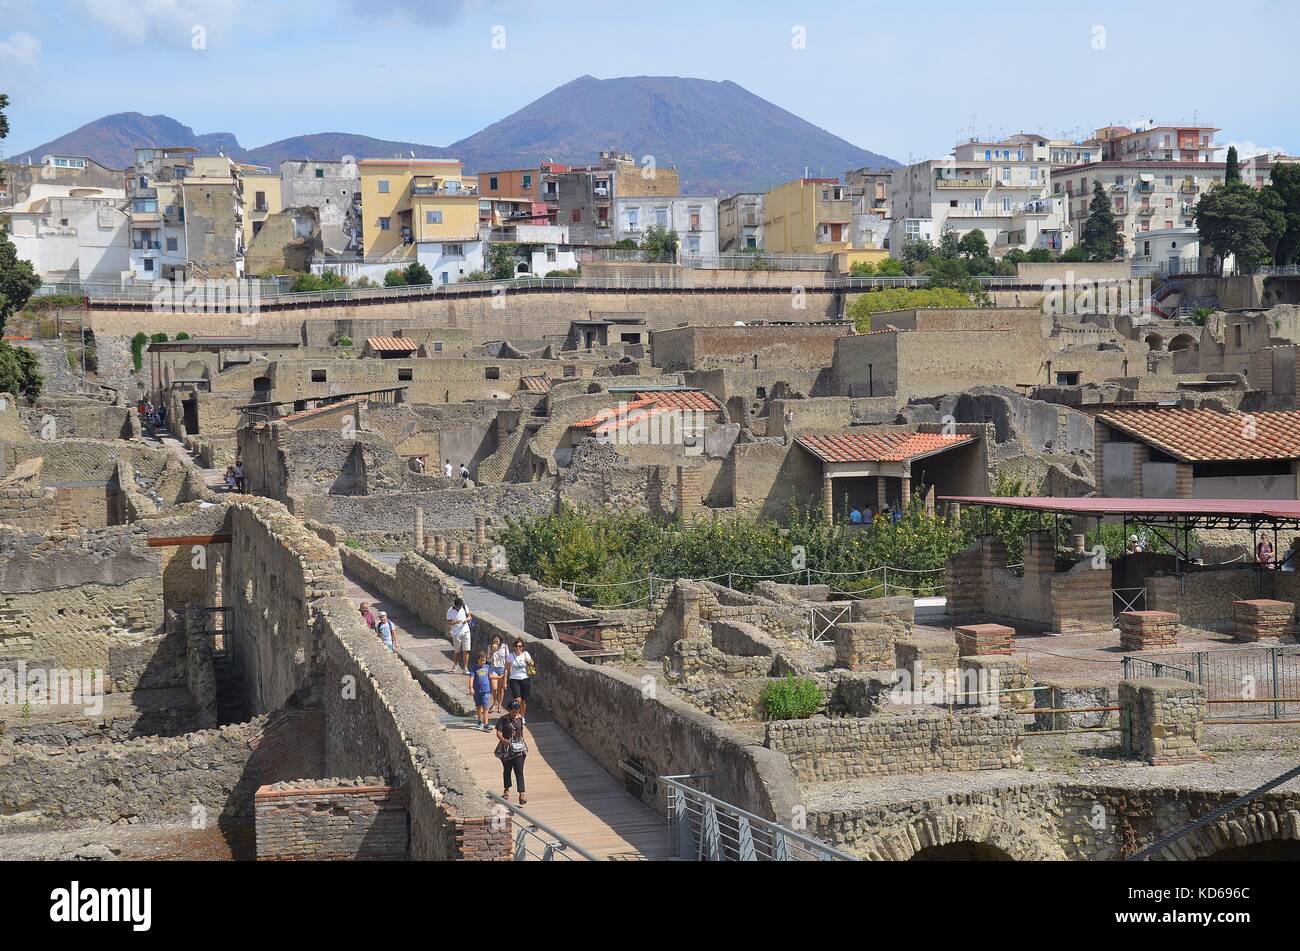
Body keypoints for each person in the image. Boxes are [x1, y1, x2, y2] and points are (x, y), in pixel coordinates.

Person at [495, 700, 528, 805]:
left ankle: (521, 794)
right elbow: (498, 733)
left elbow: (521, 732)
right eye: (513, 712)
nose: (515, 714)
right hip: (507, 750)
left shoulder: (520, 719)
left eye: (517, 711)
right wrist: (504, 740)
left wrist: (522, 742)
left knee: (519, 771)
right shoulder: (503, 720)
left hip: (518, 749)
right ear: (509, 710)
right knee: (507, 770)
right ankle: (506, 790)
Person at [505, 637, 534, 717]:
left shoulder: (526, 654)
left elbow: (532, 663)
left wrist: (529, 662)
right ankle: (516, 715)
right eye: (517, 646)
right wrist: (505, 682)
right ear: (514, 647)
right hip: (514, 679)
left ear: (522, 647)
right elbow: (507, 670)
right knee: (518, 699)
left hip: (525, 678)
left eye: (520, 646)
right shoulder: (510, 656)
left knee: (524, 700)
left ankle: (522, 716)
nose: (518, 648)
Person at [446, 596, 473, 673]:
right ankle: (455, 665)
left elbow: (469, 616)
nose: (459, 608)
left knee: (466, 650)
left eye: (460, 607)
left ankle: (465, 668)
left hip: (466, 631)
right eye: (458, 607)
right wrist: (455, 622)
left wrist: (466, 620)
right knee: (457, 651)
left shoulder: (464, 607)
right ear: (455, 605)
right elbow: (448, 622)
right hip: (456, 633)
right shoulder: (450, 611)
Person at [469, 652, 494, 731]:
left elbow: (490, 677)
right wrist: (471, 687)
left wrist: (500, 677)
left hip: (486, 690)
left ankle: (486, 724)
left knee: (485, 707)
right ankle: (480, 721)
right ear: (478, 660)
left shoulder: (487, 667)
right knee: (478, 706)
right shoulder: (474, 668)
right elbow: (471, 678)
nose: (483, 662)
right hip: (477, 691)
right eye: (481, 661)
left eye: (484, 660)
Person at [488, 634, 508, 713]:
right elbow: (488, 659)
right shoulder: (490, 647)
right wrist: (493, 651)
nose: (496, 642)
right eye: (494, 641)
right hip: (493, 668)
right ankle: (495, 702)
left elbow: (507, 658)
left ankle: (499, 705)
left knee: (501, 688)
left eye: (497, 641)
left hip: (502, 668)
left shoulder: (504, 646)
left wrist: (507, 671)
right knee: (494, 688)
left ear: (500, 641)